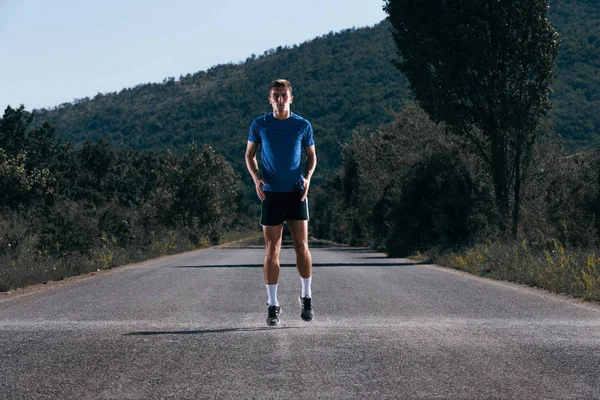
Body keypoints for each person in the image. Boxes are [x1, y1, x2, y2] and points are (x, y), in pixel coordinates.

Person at [245, 79, 317, 326]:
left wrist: (307, 178)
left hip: (297, 193)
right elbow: (249, 155)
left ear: (291, 97)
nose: (280, 99)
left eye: (284, 95)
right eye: (275, 95)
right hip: (272, 194)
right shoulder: (260, 124)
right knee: (271, 250)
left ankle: (306, 297)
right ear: (270, 99)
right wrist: (256, 179)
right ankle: (273, 305)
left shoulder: (302, 125)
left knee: (301, 248)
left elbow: (311, 157)